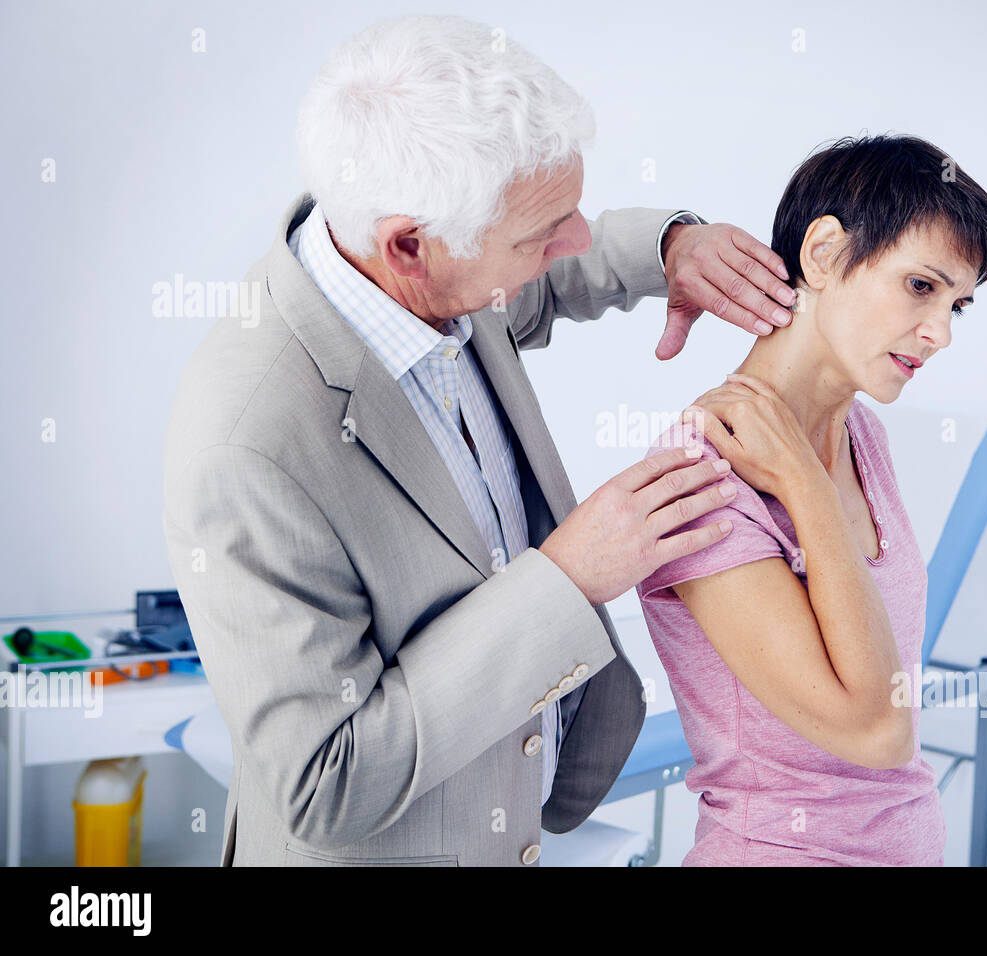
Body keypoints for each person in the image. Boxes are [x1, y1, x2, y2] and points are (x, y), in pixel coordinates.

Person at [161, 14, 798, 867]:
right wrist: (567, 579)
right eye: (540, 233)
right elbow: (323, 783)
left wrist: (668, 247)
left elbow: (547, 278)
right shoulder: (246, 447)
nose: (569, 241)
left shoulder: (434, 276)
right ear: (410, 247)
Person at [635, 133, 987, 866]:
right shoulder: (701, 469)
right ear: (824, 254)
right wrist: (803, 484)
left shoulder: (863, 432)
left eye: (958, 304)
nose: (940, 333)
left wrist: (807, 477)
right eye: (921, 286)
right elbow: (877, 731)